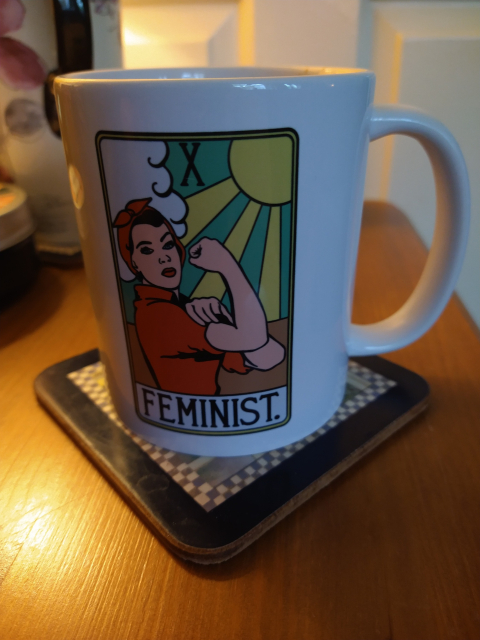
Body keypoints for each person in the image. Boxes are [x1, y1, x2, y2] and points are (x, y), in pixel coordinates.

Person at [114, 198, 284, 395]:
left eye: (167, 245)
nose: (163, 257)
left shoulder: (182, 306)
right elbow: (253, 339)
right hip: (187, 416)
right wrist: (227, 266)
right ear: (133, 263)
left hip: (213, 415)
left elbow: (269, 357)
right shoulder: (158, 314)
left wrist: (225, 321)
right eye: (147, 250)